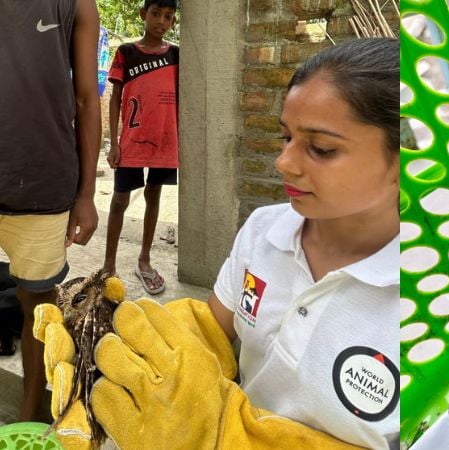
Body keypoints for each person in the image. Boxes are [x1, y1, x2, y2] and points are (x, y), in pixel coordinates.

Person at [36, 37, 399, 449]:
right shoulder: (267, 230)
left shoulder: (438, 306)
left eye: (320, 148)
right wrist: (127, 346)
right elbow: (215, 328)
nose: (284, 162)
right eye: (285, 138)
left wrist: (217, 433)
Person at [0, 0, 100, 422]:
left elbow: (85, 98)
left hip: (41, 182)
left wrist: (86, 193)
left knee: (37, 305)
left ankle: (29, 414)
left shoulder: (77, 4)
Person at [103, 0, 179, 295]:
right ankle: (108, 264)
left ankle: (144, 260)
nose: (162, 21)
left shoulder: (175, 55)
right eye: (156, 14)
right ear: (143, 14)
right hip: (131, 143)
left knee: (153, 196)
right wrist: (113, 142)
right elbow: (115, 98)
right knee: (120, 200)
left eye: (168, 16)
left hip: (164, 142)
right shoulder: (126, 53)